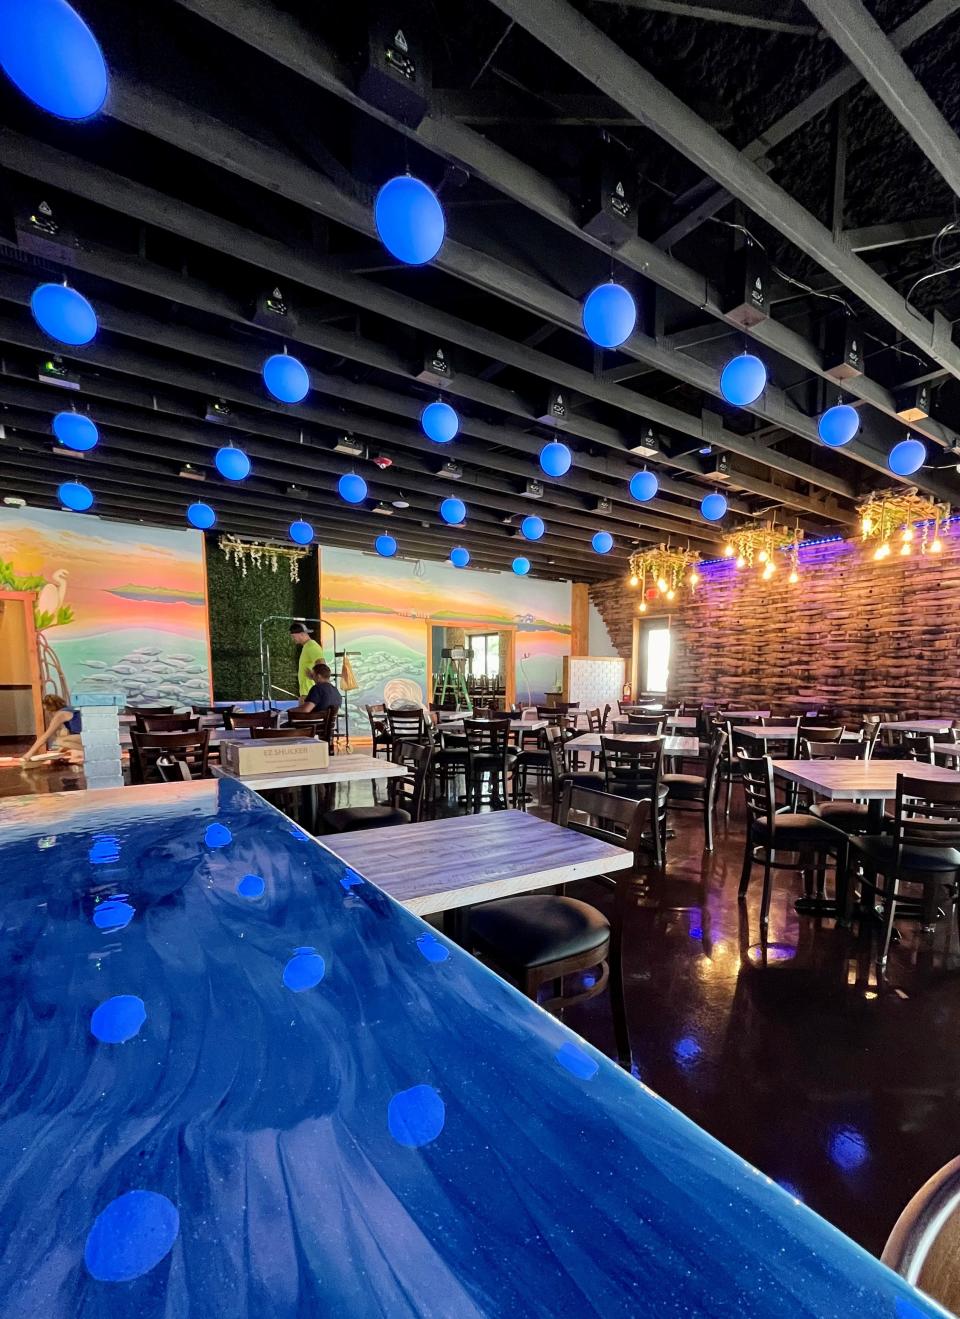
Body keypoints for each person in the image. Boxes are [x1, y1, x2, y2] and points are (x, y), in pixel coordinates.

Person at [21, 694, 84, 766]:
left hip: (88, 737)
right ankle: (84, 750)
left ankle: (88, 751)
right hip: (86, 735)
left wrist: (29, 753)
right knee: (63, 732)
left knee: (60, 740)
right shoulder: (68, 709)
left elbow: (46, 736)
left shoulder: (60, 715)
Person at [290, 622, 324, 697]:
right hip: (306, 691)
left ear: (301, 634)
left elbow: (321, 663)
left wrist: (314, 676)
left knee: (303, 709)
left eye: (293, 636)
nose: (292, 639)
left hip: (309, 692)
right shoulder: (306, 646)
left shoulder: (312, 646)